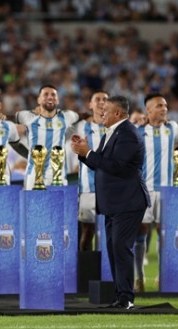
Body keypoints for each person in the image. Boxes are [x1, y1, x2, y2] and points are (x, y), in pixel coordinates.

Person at [71, 95, 150, 309]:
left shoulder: (128, 134)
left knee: (120, 247)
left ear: (117, 113)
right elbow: (103, 165)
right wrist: (84, 153)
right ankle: (120, 296)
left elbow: (116, 167)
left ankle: (126, 297)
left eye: (106, 110)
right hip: (114, 202)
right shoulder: (114, 132)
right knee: (114, 248)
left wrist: (88, 152)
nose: (101, 113)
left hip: (128, 201)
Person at [134, 93, 178, 292]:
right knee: (141, 233)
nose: (164, 109)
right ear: (148, 110)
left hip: (166, 190)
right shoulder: (138, 131)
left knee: (163, 233)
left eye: (165, 105)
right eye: (159, 106)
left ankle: (162, 277)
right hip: (143, 190)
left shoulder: (173, 128)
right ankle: (139, 278)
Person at [15, 85, 80, 190]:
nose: (50, 97)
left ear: (58, 100)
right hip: (33, 176)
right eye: (45, 94)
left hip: (58, 176)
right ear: (39, 100)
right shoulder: (28, 117)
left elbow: (82, 115)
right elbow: (7, 117)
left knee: (58, 206)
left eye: (53, 95)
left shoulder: (66, 117)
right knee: (34, 206)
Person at [73, 91, 108, 252]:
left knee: (110, 231)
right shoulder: (82, 127)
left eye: (105, 100)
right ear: (90, 105)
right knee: (88, 231)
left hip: (111, 189)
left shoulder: (116, 126)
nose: (102, 102)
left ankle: (109, 273)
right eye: (98, 99)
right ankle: (85, 270)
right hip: (88, 188)